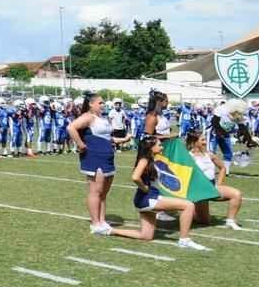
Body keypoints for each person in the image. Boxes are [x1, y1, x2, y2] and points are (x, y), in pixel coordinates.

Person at [109, 137, 208, 250]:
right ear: (151, 148)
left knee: (146, 236)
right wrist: (145, 188)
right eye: (159, 145)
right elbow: (135, 177)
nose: (162, 147)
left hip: (146, 199)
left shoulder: (152, 159)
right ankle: (184, 239)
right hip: (148, 199)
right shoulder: (144, 160)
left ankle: (109, 230)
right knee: (188, 205)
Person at [68, 93, 129, 236]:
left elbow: (108, 138)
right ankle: (95, 224)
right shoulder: (87, 117)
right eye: (100, 103)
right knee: (95, 190)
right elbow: (71, 128)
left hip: (107, 157)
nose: (103, 105)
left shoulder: (101, 118)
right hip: (94, 157)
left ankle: (102, 221)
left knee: (104, 192)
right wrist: (81, 145)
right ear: (91, 104)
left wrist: (124, 139)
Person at [186, 131, 243, 230]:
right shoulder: (189, 157)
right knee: (206, 221)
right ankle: (192, 211)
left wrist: (219, 183)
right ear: (194, 142)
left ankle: (230, 221)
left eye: (205, 140)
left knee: (236, 194)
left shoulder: (209, 154)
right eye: (202, 140)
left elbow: (223, 168)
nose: (205, 142)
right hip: (200, 191)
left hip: (212, 186)